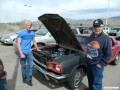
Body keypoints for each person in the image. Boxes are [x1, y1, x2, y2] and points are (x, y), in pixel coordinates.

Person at [86, 19, 112, 90]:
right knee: (90, 80)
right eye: (95, 27)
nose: (96, 28)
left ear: (102, 27)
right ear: (93, 28)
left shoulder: (106, 38)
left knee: (96, 84)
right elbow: (89, 47)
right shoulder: (91, 36)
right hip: (89, 64)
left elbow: (108, 54)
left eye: (98, 27)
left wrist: (101, 63)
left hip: (97, 66)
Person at [17, 21, 40, 86]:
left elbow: (34, 41)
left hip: (29, 52)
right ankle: (24, 78)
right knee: (23, 66)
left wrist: (37, 48)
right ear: (25, 25)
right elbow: (18, 43)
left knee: (31, 66)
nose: (29, 26)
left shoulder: (32, 33)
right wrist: (21, 53)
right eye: (27, 25)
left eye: (30, 25)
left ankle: (28, 79)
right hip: (23, 52)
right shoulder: (21, 33)